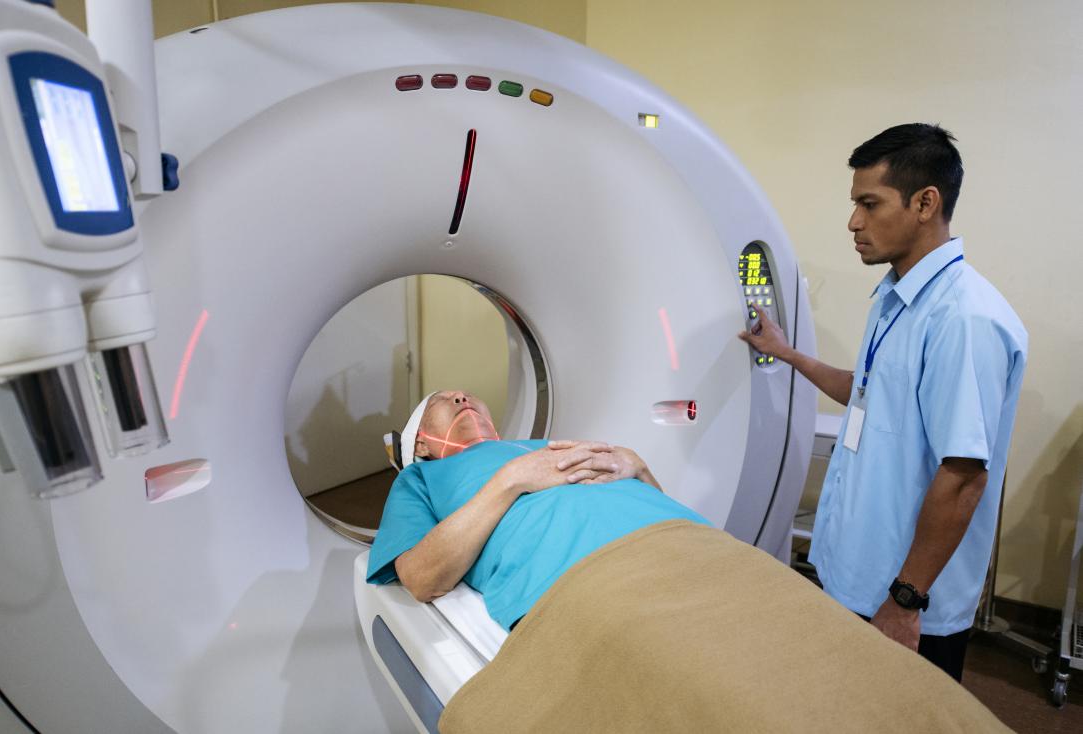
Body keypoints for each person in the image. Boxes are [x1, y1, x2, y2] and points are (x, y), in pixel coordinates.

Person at [738, 123, 1027, 681]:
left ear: (925, 203)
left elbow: (964, 476)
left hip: (907, 602)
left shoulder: (963, 319)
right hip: (859, 575)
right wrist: (787, 354)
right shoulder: (895, 297)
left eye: (869, 204)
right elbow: (868, 394)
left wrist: (905, 601)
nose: (853, 222)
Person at [366, 390, 710, 630]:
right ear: (420, 442)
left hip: (694, 540)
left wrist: (640, 468)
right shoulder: (420, 477)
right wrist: (511, 480)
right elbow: (420, 579)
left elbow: (648, 499)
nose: (461, 398)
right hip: (590, 578)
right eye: (442, 399)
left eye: (468, 395)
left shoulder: (545, 444)